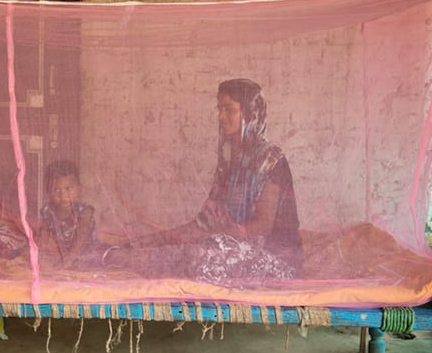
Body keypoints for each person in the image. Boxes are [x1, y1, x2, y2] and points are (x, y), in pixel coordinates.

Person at [117, 78, 302, 284]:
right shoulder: (230, 162)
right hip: (232, 247)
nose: (221, 116)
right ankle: (117, 258)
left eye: (229, 109)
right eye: (219, 109)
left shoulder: (271, 159)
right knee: (168, 250)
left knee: (199, 256)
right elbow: (204, 222)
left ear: (250, 114)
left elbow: (262, 226)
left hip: (276, 260)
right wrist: (160, 238)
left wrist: (211, 237)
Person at [37, 159, 108, 269]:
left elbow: (81, 238)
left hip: (90, 254)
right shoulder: (48, 211)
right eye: (56, 190)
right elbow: (43, 237)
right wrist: (38, 257)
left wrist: (69, 260)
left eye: (68, 189)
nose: (63, 196)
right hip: (66, 255)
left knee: (111, 257)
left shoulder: (85, 211)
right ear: (48, 191)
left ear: (79, 189)